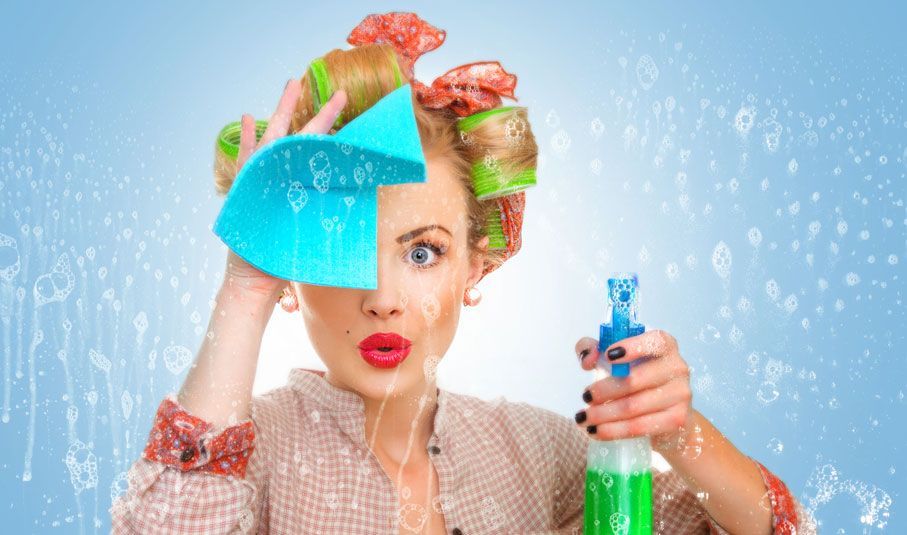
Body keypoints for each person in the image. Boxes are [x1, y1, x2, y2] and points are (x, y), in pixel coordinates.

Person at [110, 12, 816, 535]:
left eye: (422, 252)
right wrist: (245, 284)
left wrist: (673, 427)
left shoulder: (532, 450)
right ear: (293, 268)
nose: (383, 300)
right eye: (343, 246)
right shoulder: (258, 453)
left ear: (476, 264)